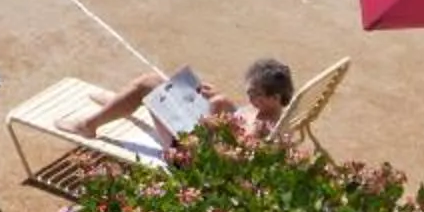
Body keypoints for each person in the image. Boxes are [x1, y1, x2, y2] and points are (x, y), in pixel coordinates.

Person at [74, 56, 295, 147]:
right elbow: (238, 119)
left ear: (274, 97)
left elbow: (228, 155)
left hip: (188, 154)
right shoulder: (272, 112)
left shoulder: (262, 128)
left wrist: (215, 109)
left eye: (255, 94)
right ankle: (118, 103)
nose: (250, 97)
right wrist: (222, 101)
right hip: (198, 135)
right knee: (157, 83)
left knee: (148, 86)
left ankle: (89, 124)